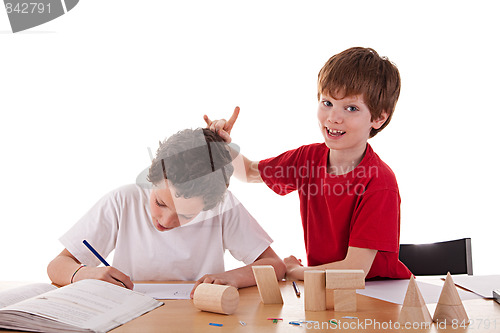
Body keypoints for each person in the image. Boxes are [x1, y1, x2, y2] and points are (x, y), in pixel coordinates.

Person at [204, 47, 412, 280]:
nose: (333, 117)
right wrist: (220, 144)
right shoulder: (307, 159)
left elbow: (355, 270)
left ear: (378, 118)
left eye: (351, 108)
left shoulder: (379, 181)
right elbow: (250, 172)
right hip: (325, 286)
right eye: (327, 102)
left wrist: (296, 271)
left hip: (378, 294)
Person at [47, 128, 286, 295]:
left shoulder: (222, 206)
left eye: (186, 215)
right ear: (152, 178)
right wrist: (83, 274)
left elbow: (274, 265)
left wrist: (231, 278)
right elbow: (57, 265)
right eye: (160, 203)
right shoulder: (123, 200)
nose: (167, 220)